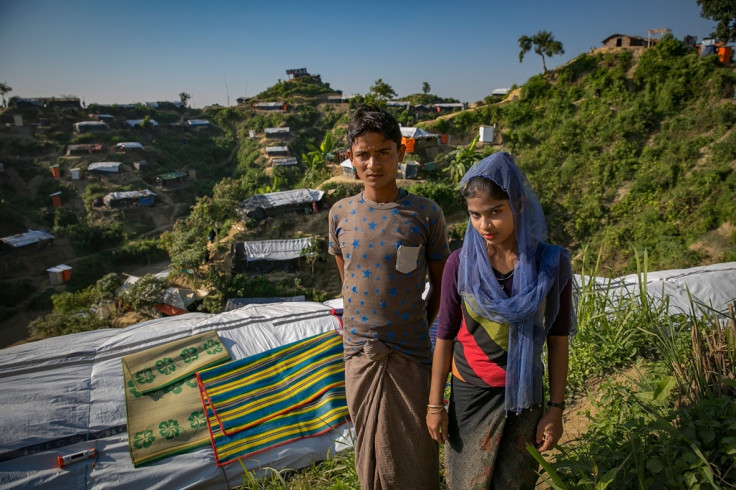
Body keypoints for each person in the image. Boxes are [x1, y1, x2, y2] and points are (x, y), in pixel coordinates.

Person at [426, 151, 575, 489]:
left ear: (519, 205)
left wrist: (555, 409)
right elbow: (445, 335)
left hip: (524, 396)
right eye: (475, 215)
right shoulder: (460, 264)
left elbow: (558, 337)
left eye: (495, 212)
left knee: (515, 484)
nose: (484, 225)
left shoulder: (550, 264)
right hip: (469, 394)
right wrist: (436, 404)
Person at [328, 104, 450, 489]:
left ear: (401, 151)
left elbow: (441, 288)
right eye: (363, 154)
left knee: (413, 450)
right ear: (351, 158)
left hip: (410, 354)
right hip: (359, 355)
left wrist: (413, 327)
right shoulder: (339, 213)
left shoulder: (425, 214)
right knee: (369, 448)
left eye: (383, 152)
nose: (373, 163)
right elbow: (347, 280)